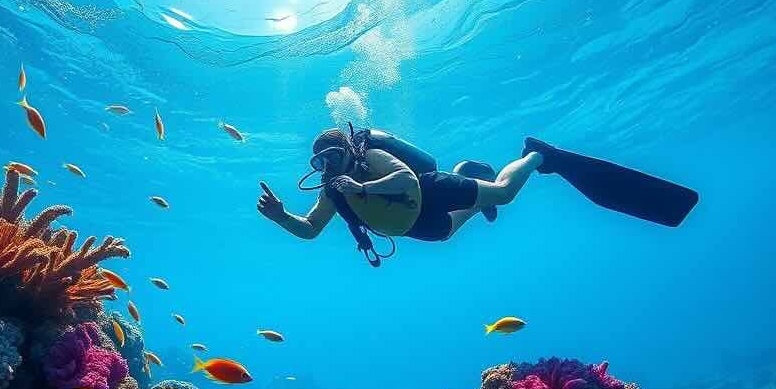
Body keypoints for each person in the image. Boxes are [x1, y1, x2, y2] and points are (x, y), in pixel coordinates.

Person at [257, 126, 698, 267]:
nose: (329, 168)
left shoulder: (370, 156)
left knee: (504, 194)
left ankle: (538, 157)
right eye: (321, 164)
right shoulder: (335, 190)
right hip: (423, 226)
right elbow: (311, 229)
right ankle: (473, 174)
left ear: (349, 149)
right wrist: (280, 217)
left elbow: (408, 182)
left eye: (333, 156)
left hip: (431, 189)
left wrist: (362, 186)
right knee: (456, 228)